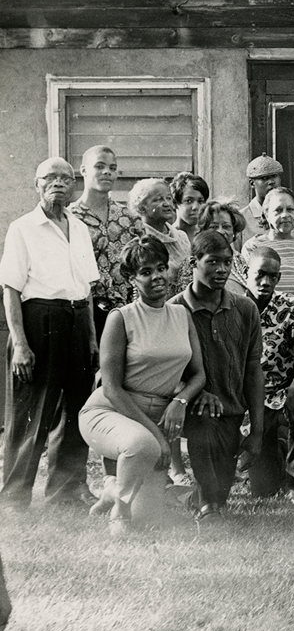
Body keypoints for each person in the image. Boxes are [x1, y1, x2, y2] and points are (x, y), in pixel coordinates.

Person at [79, 236, 206, 533]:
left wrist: (179, 401)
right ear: (132, 279)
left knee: (148, 516)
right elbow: (111, 388)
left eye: (161, 268)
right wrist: (159, 438)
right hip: (111, 412)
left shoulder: (181, 315)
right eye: (146, 272)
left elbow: (198, 375)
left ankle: (112, 490)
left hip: (157, 413)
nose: (157, 277)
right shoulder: (120, 318)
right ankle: (119, 513)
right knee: (143, 445)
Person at [0, 158, 99, 511]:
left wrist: (90, 339)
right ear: (37, 184)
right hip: (39, 321)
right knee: (31, 412)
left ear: (74, 185)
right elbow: (10, 289)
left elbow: (86, 289)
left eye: (65, 178)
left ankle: (66, 490)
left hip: (75, 320)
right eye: (50, 177)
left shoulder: (80, 229)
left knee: (75, 409)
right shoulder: (23, 228)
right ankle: (14, 496)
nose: (58, 183)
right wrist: (21, 345)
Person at [171, 230, 264, 520]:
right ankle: (206, 505)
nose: (221, 270)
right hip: (191, 409)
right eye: (212, 262)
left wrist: (257, 431)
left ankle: (195, 498)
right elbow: (165, 368)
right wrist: (192, 391)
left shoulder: (245, 308)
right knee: (211, 494)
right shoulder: (174, 310)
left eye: (227, 262)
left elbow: (253, 369)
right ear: (193, 263)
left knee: (220, 488)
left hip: (232, 410)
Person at [243, 247, 294, 504]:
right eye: (260, 274)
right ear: (246, 272)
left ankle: (293, 483)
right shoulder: (234, 308)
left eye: (273, 277)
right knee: (262, 489)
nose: (266, 282)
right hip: (246, 401)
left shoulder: (291, 306)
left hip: (281, 395)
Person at [69, 145, 142, 336]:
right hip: (85, 312)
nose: (107, 172)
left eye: (112, 167)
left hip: (128, 310)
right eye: (99, 166)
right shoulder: (69, 219)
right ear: (83, 170)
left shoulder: (130, 218)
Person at [242, 187, 294, 305]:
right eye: (278, 210)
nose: (285, 215)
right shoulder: (253, 247)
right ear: (266, 215)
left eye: (290, 209)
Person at [128, 178, 191, 298]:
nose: (167, 203)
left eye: (168, 198)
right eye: (158, 199)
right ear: (141, 207)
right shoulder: (137, 239)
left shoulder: (182, 238)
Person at [181, 201, 251, 296]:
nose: (221, 231)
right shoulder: (194, 261)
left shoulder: (238, 258)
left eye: (226, 226)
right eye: (213, 227)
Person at [239, 154, 294, 247]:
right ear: (252, 183)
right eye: (264, 178)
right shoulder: (241, 219)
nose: (271, 182)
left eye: (274, 176)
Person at [170, 172, 209, 242]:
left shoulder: (208, 236)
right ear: (175, 203)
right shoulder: (169, 236)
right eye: (189, 201)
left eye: (200, 201)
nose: (196, 207)